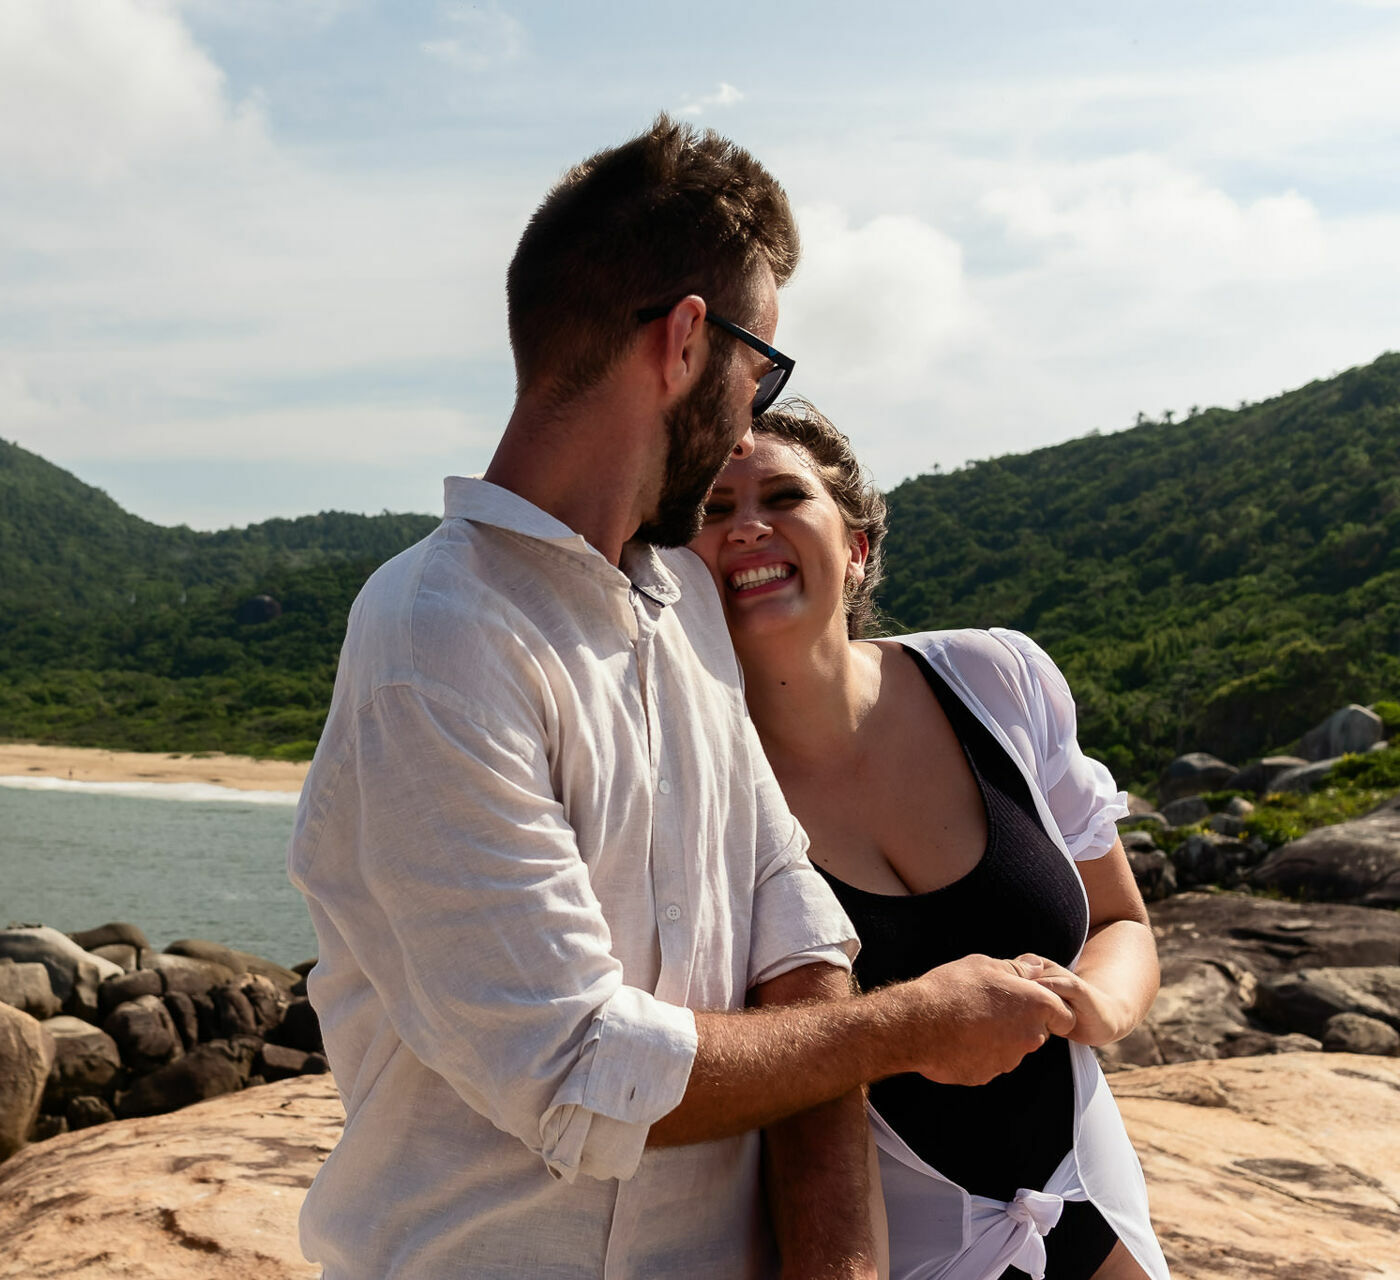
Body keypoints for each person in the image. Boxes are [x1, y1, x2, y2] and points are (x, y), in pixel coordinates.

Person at [287, 116, 1076, 1279]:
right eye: (762, 370)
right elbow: (580, 1067)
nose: (752, 418)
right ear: (687, 341)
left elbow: (793, 926)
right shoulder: (435, 638)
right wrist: (910, 1025)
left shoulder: (686, 603)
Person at [687, 398, 1168, 1280]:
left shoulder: (998, 680)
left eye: (785, 497)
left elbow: (1119, 919)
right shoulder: (693, 791)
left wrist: (1099, 1007)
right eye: (714, 511)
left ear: (856, 546)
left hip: (1096, 1209)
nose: (748, 526)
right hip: (901, 1257)